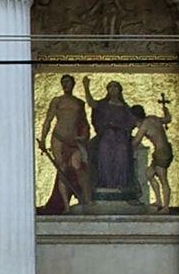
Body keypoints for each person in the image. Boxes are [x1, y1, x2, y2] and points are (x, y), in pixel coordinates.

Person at [39, 75, 91, 212]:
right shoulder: (57, 101)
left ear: (73, 83)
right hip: (59, 138)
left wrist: (84, 137)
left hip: (74, 140)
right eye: (63, 82)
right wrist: (43, 139)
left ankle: (86, 200)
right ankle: (66, 207)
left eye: (67, 82)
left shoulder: (79, 103)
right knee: (62, 169)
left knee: (78, 166)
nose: (65, 85)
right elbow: (48, 120)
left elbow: (84, 123)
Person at [88, 80, 143, 203]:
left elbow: (132, 120)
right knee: (104, 151)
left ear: (119, 90)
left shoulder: (124, 106)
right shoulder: (103, 104)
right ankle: (106, 183)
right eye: (111, 87)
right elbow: (92, 104)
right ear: (107, 90)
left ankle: (121, 183)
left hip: (121, 136)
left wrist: (126, 128)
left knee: (122, 152)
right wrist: (86, 87)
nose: (113, 89)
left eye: (115, 87)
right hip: (107, 135)